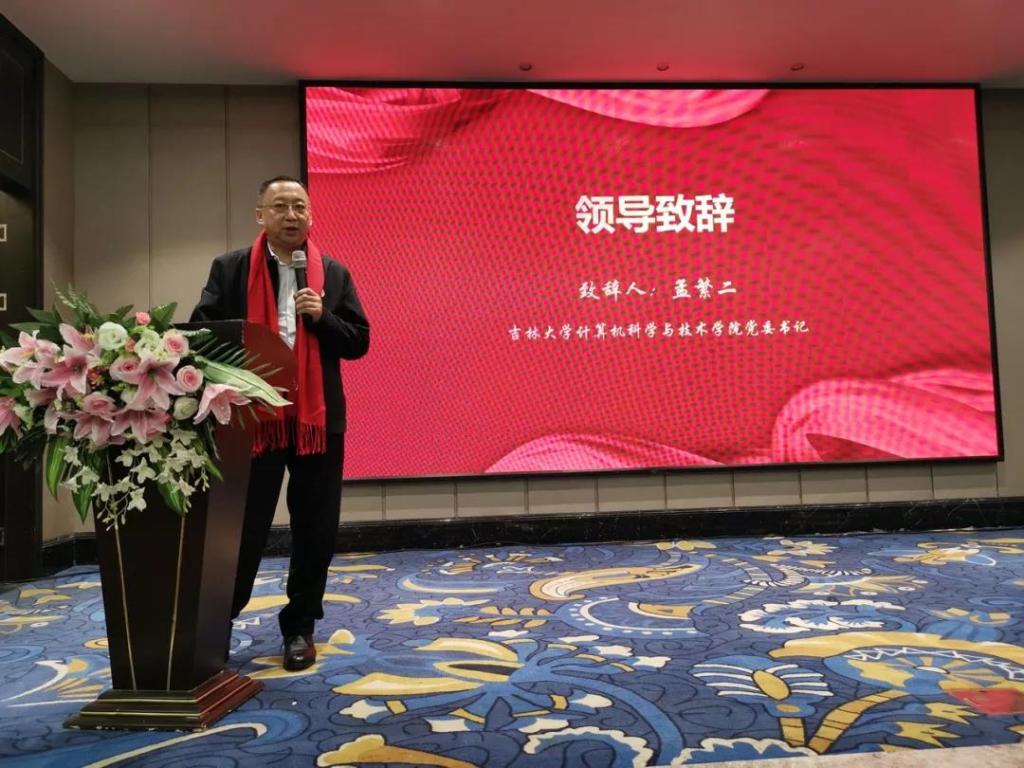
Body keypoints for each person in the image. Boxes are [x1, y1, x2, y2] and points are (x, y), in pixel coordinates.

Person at [191, 175, 370, 670]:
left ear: (311, 215)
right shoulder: (230, 270)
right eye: (280, 207)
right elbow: (201, 334)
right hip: (254, 419)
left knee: (316, 529)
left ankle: (299, 627)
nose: (291, 215)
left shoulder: (333, 273)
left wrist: (323, 317)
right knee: (241, 528)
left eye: (300, 207)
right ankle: (217, 625)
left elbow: (359, 342)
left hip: (318, 421)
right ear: (260, 216)